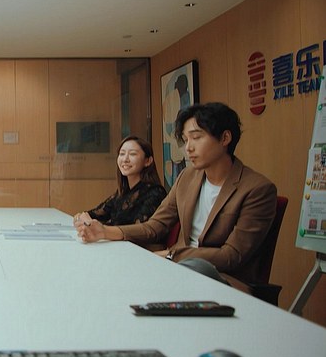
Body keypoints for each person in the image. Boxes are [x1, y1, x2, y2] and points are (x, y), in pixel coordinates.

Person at [75, 102, 277, 286]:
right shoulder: (187, 177)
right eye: (185, 140)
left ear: (225, 138)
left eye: (196, 138)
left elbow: (232, 256)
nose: (188, 147)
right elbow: (155, 226)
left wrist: (172, 255)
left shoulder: (257, 189)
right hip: (178, 270)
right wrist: (104, 232)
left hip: (223, 279)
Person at [73, 136, 167, 230]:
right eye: (122, 154)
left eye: (132, 154)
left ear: (148, 161)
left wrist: (100, 228)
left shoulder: (156, 192)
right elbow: (95, 214)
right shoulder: (122, 193)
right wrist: (80, 218)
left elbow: (138, 231)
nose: (125, 159)